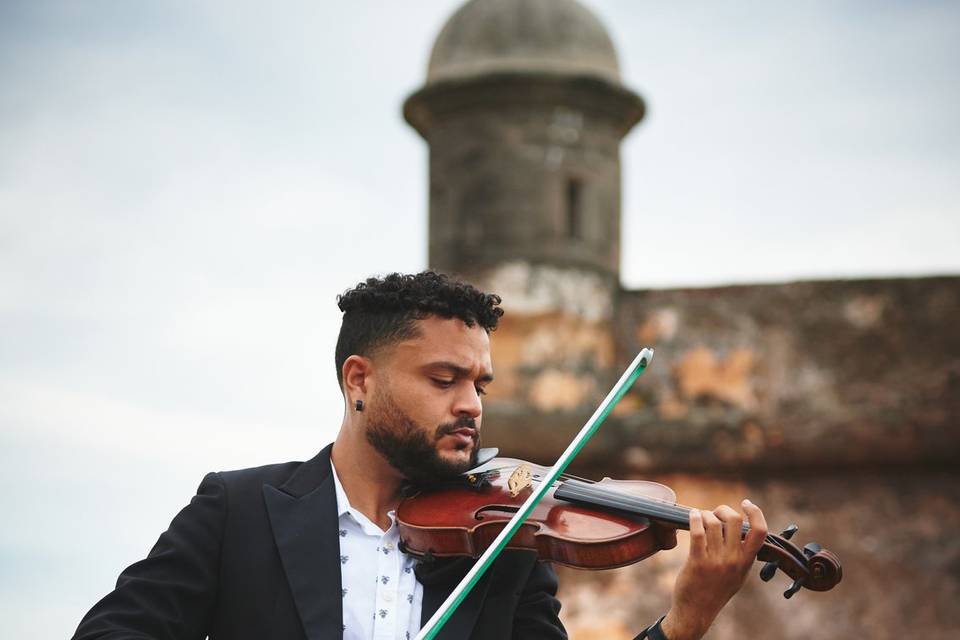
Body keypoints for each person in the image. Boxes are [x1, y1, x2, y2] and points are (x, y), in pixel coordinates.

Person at [73, 271, 768, 640]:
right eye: (444, 380)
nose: (471, 403)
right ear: (359, 380)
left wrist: (685, 624)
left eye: (479, 383)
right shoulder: (238, 511)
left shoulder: (503, 551)